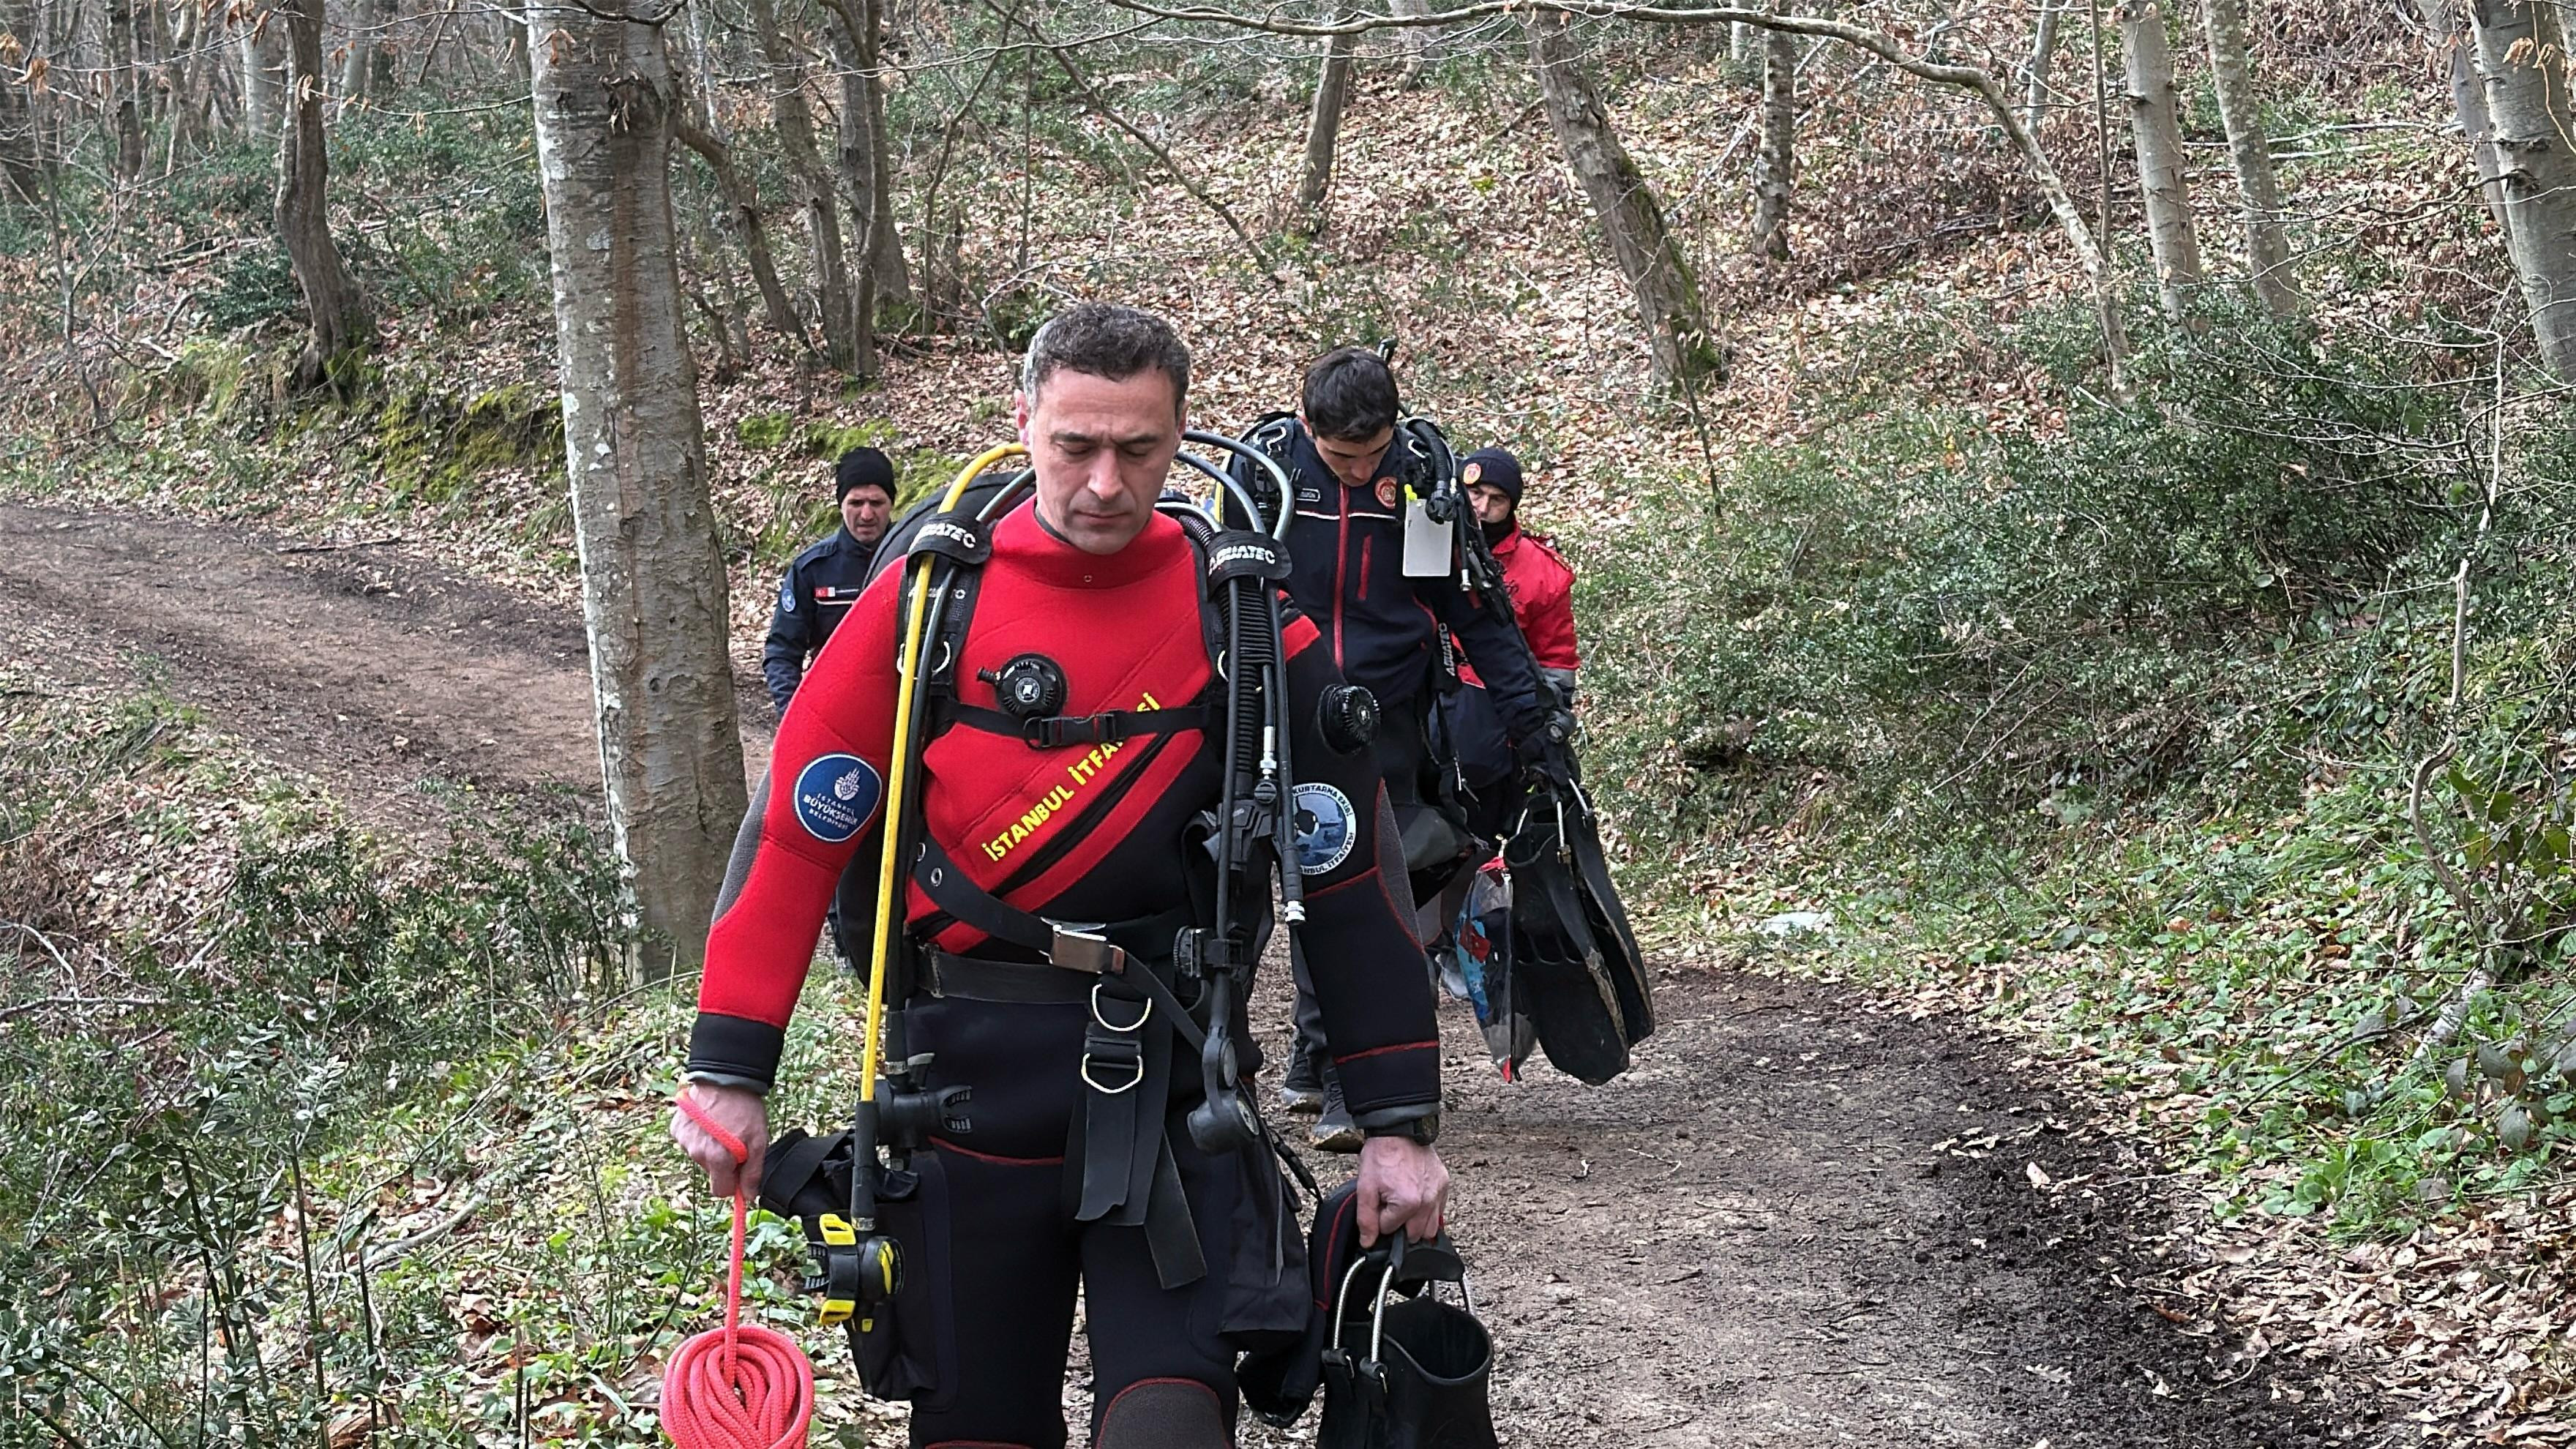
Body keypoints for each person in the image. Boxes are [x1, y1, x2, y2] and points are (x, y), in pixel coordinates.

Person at [671, 303, 1450, 1449]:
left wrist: (1396, 1120)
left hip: (1174, 1092)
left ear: (1181, 435)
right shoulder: (928, 603)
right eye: (1075, 445)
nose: (1104, 483)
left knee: (1171, 1432)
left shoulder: (1238, 614)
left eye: (1139, 449)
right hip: (962, 1099)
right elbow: (796, 833)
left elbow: (1345, 867)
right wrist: (731, 1068)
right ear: (1024, 420)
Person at [1232, 347, 1556, 1151]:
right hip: (1279, 707)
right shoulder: (1266, 477)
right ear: (1306, 425)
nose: (1357, 472)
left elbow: (1476, 612)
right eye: (1341, 458)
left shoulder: (1417, 480)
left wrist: (1534, 722)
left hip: (1388, 718)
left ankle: (1361, 1085)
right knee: (1269, 886)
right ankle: (1293, 1058)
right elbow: (1221, 597)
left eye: (1370, 455)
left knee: (1370, 896)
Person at [762, 446, 897, 716]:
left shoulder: (917, 559)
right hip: (832, 709)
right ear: (840, 505)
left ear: (891, 503)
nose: (867, 515)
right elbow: (783, 650)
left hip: (903, 713)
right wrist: (794, 716)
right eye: (856, 503)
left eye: (876, 503)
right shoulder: (813, 568)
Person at [1460, 447, 1578, 700]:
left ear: (1511, 506)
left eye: (1497, 499)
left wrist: (1548, 709)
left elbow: (1555, 658)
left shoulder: (1543, 571)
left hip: (1498, 700)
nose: (1482, 508)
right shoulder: (1423, 543)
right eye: (1476, 493)